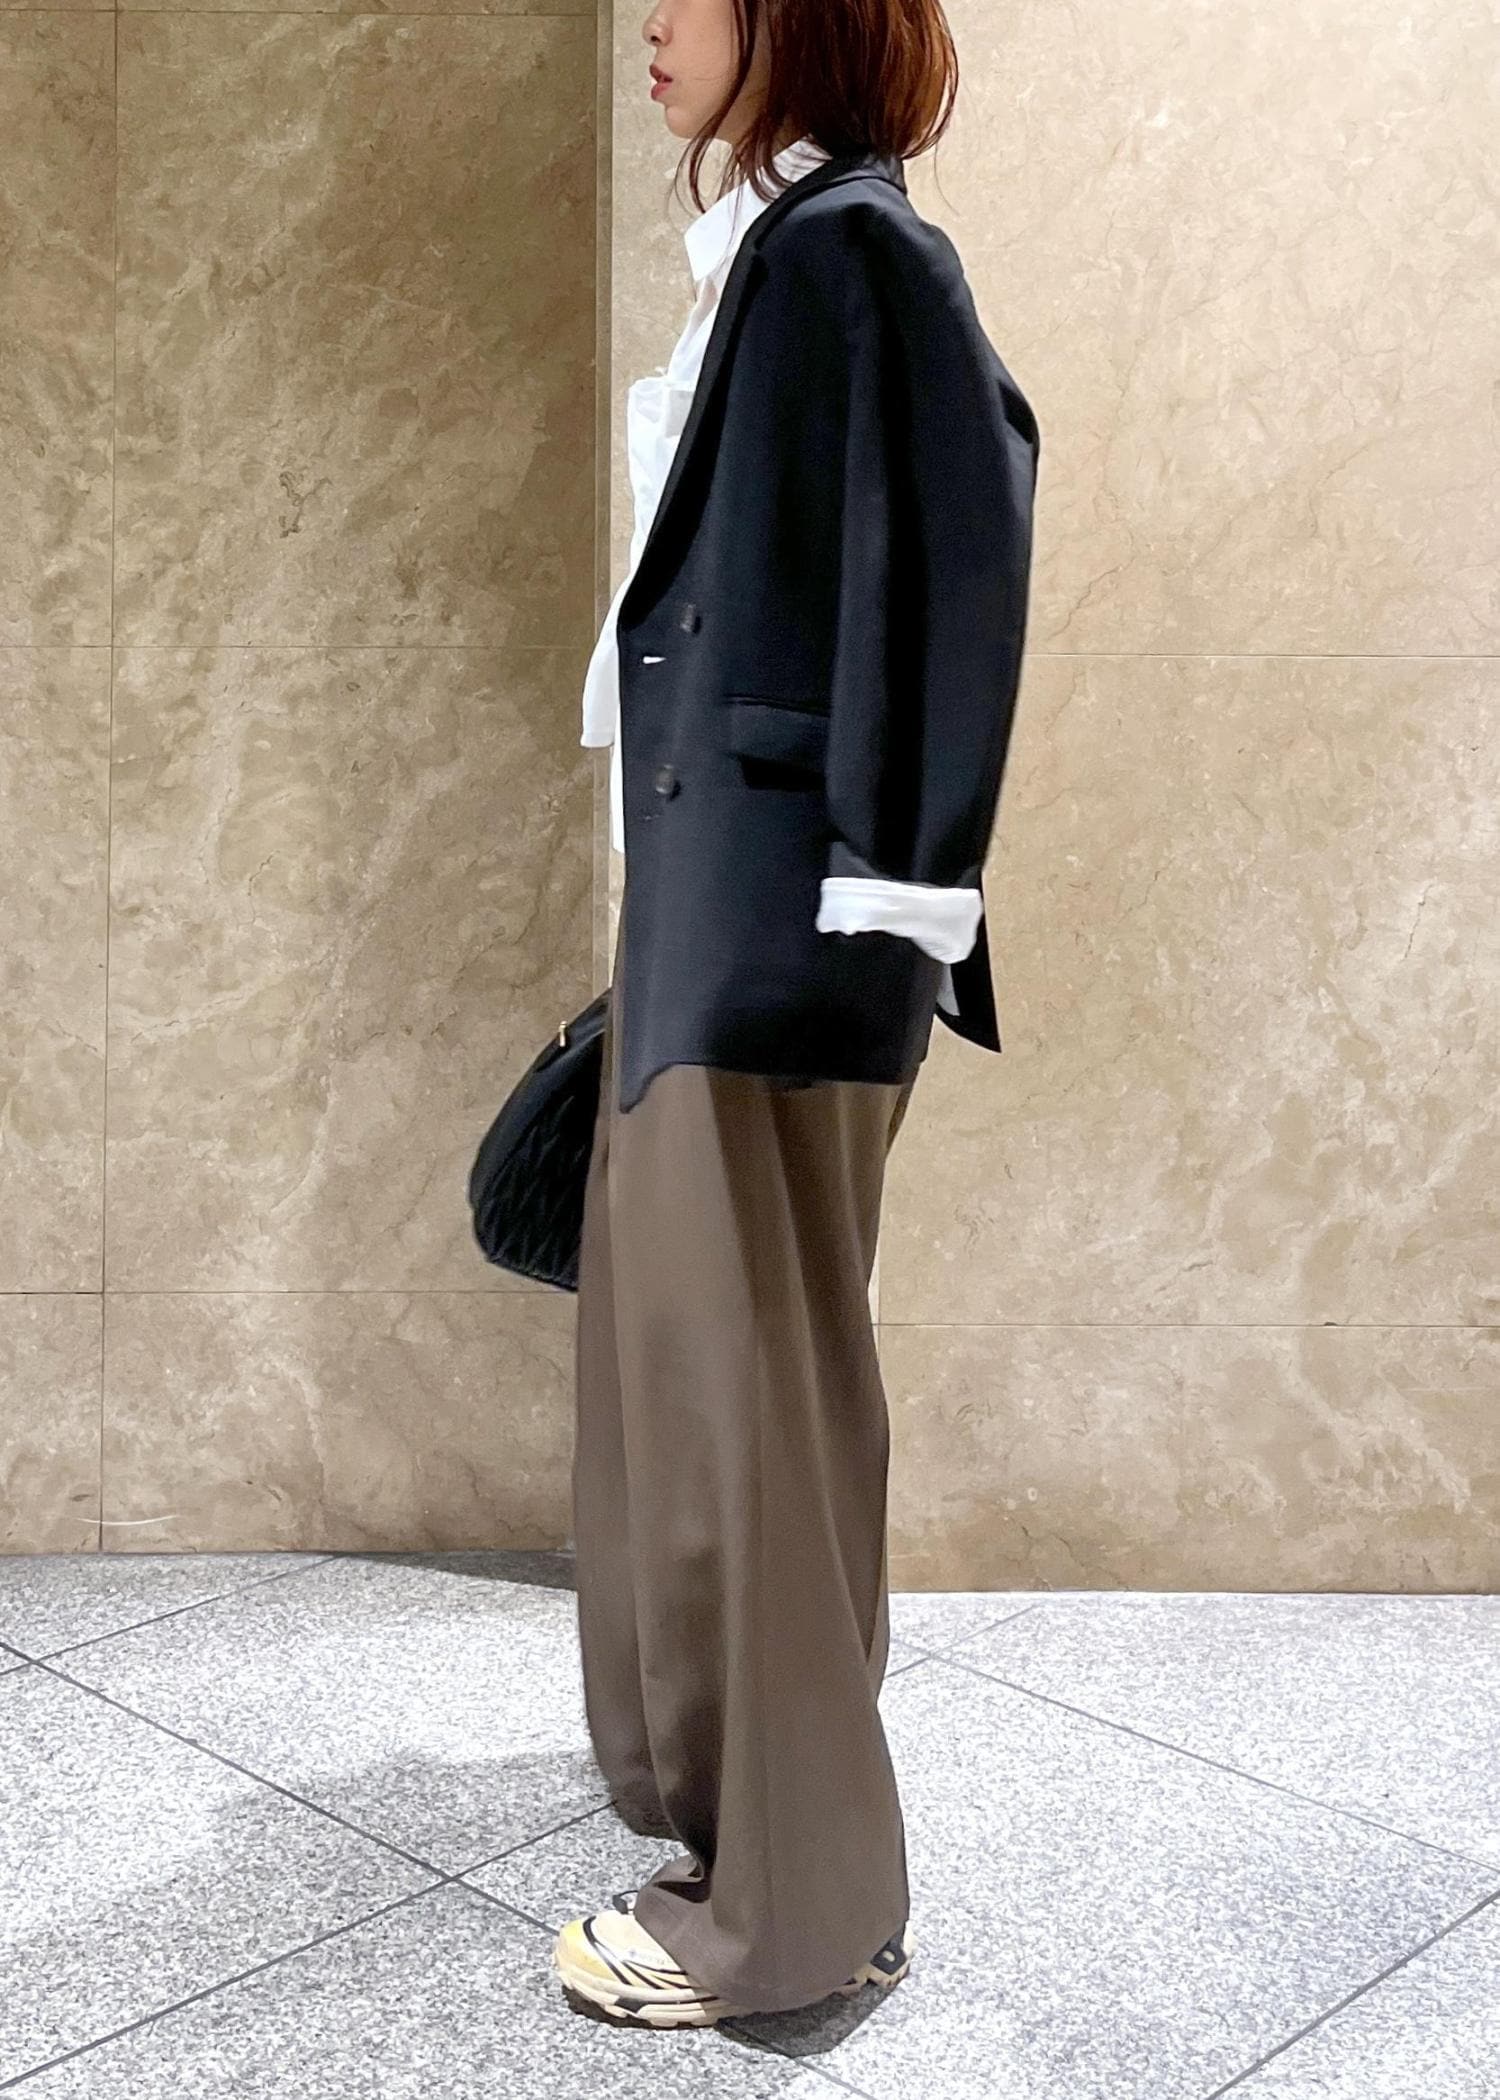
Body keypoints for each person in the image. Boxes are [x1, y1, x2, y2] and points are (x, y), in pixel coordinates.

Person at [550, 0, 1039, 2030]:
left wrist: (883, 900)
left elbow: (955, 571)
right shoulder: (780, 247)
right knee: (701, 1389)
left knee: (753, 1400)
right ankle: (728, 1824)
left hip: (789, 936)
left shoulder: (856, 250)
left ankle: (794, 1913)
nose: (654, 24)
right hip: (718, 912)